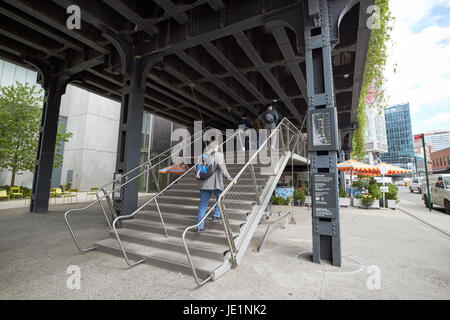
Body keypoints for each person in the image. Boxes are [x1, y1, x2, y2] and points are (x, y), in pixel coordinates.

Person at [195, 140, 235, 232]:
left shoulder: (201, 156)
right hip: (215, 184)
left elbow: (197, 169)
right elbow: (223, 169)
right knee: (220, 198)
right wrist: (230, 178)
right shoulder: (218, 155)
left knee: (203, 204)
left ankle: (199, 226)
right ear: (216, 147)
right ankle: (216, 216)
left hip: (203, 184)